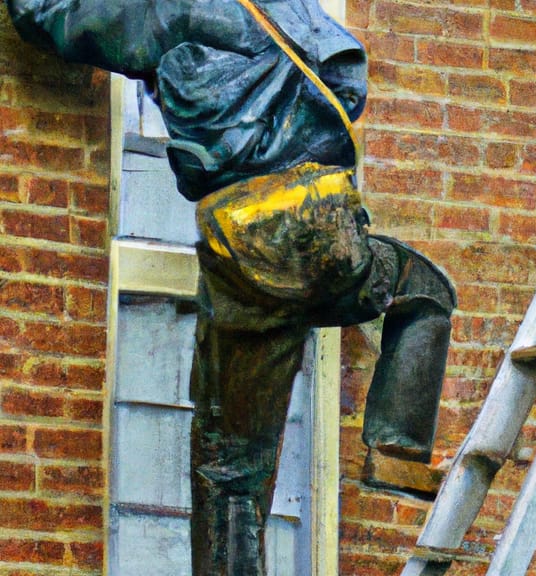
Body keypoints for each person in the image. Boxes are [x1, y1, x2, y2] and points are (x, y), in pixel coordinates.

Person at [5, 0, 456, 573]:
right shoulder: (288, 11)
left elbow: (62, 20)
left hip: (240, 244)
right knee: (424, 293)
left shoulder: (172, 11)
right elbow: (348, 84)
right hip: (324, 225)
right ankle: (397, 448)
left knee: (231, 470)